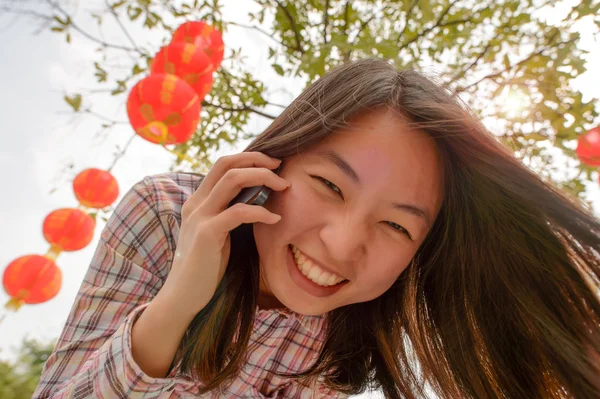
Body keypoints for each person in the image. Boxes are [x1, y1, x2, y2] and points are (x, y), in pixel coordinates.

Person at [33, 58, 600, 399]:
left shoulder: (349, 329)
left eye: (397, 228)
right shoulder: (163, 212)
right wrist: (178, 303)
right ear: (276, 160)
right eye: (330, 186)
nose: (343, 243)